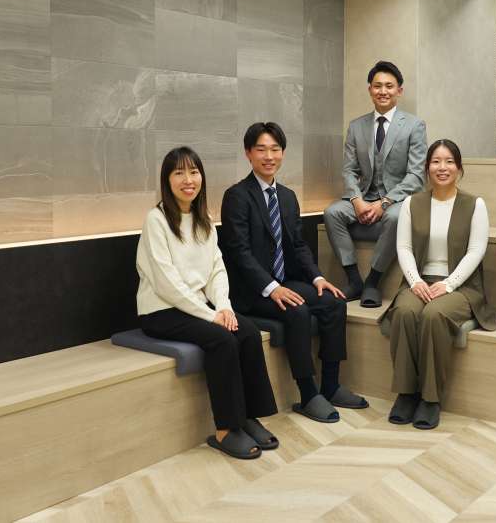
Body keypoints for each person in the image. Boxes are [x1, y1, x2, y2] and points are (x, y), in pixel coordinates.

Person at [220, 122, 369, 424]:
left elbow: (299, 246)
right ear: (248, 153)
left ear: (283, 153)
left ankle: (331, 385)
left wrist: (318, 278)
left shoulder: (287, 196)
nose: (269, 156)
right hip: (252, 291)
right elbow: (239, 253)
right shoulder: (237, 196)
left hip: (284, 281)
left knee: (333, 302)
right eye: (261, 149)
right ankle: (308, 394)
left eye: (275, 149)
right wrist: (272, 287)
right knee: (297, 310)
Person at [136, 146, 279, 460]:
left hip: (196, 307)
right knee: (221, 339)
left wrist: (224, 306)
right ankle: (226, 429)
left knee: (247, 331)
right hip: (161, 310)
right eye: (179, 173)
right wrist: (210, 315)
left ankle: (249, 417)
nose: (188, 180)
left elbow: (217, 269)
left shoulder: (204, 220)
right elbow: (166, 282)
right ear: (167, 180)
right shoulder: (156, 220)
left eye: (194, 172)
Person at [378, 140, 496, 430]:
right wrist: (416, 281)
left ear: (459, 167)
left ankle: (430, 399)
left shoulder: (475, 205)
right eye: (435, 161)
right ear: (427, 167)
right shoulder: (412, 203)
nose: (442, 167)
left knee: (434, 314)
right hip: (420, 280)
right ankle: (406, 394)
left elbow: (476, 251)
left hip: (461, 286)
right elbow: (404, 247)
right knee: (405, 311)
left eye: (448, 161)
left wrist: (449, 284)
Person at [324, 60, 427, 308]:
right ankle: (353, 280)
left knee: (395, 217)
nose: (383, 91)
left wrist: (385, 202)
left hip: (397, 199)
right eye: (377, 86)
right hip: (364, 196)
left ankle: (372, 281)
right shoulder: (356, 126)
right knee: (332, 212)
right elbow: (349, 170)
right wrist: (356, 200)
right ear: (370, 89)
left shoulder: (414, 125)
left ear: (399, 90)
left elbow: (415, 175)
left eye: (389, 86)